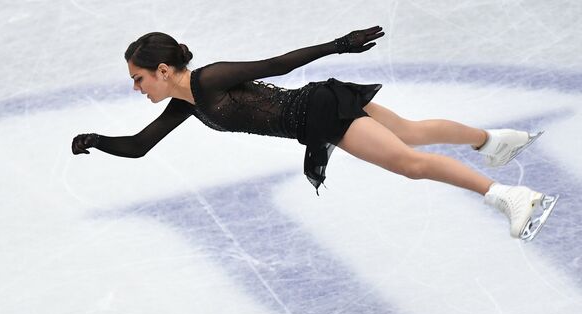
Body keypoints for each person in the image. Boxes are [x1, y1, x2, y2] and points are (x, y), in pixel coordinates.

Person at [72, 26, 558, 241]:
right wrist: (96, 140)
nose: (136, 88)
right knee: (409, 134)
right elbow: (139, 147)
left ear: (161, 69)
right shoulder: (184, 105)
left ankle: (511, 197)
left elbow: (278, 64)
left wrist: (338, 45)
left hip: (320, 112)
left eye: (138, 79)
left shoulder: (209, 79)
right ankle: (493, 141)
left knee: (410, 164)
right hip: (320, 108)